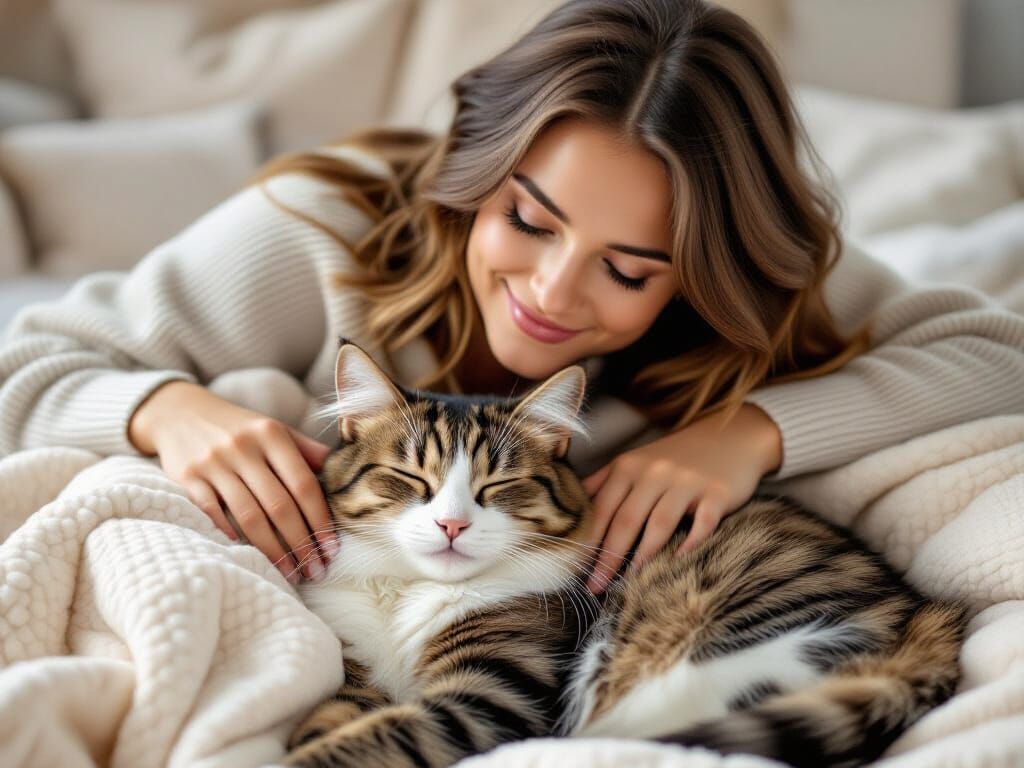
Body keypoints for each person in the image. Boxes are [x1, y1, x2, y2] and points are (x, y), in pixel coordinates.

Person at [2, 0, 1023, 598]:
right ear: (475, 175)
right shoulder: (320, 231)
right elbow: (30, 363)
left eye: (630, 270)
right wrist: (167, 409)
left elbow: (996, 352)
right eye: (527, 220)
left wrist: (746, 434)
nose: (550, 292)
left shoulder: (739, 276)